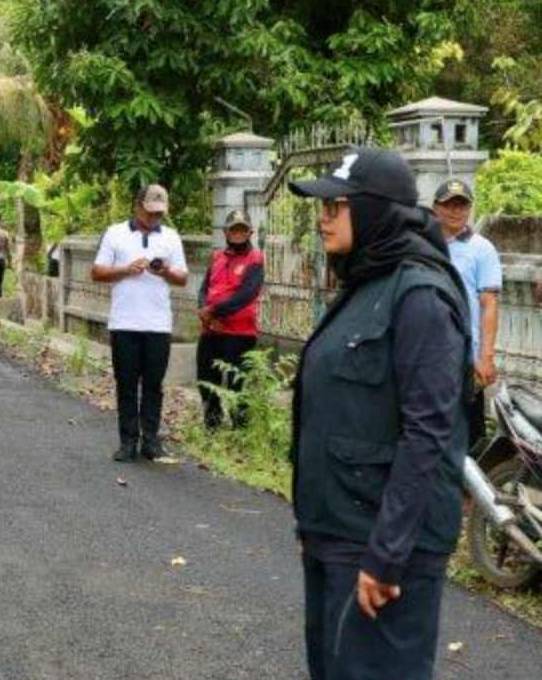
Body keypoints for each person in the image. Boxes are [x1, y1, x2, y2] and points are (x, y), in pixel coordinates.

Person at [289, 148, 470, 680]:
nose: (322, 219)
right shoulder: (366, 283)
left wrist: (387, 554)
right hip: (339, 532)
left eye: (335, 207)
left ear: (374, 212)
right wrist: (314, 522)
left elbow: (428, 431)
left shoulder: (420, 296)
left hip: (382, 547)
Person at [90, 184, 188, 462]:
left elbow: (182, 279)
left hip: (158, 324)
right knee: (126, 384)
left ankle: (151, 441)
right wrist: (126, 269)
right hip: (124, 323)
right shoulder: (115, 233)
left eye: (159, 213)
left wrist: (165, 270)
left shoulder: (170, 237)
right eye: (150, 212)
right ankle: (128, 441)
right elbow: (96, 272)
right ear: (137, 206)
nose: (155, 217)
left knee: (154, 385)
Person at [432, 179, 502, 450]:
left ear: (470, 209)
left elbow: (489, 304)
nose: (455, 210)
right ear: (435, 208)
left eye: (462, 205)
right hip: (425, 355)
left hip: (464, 361)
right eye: (449, 204)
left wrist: (485, 357)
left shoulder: (481, 249)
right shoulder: (425, 245)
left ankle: (466, 493)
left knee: (466, 443)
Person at [196, 209, 265, 429]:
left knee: (238, 384)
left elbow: (246, 295)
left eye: (242, 229)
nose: (237, 233)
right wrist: (205, 313)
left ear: (250, 232)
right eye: (233, 229)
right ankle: (213, 425)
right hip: (211, 331)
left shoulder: (255, 258)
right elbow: (203, 290)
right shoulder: (217, 257)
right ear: (225, 232)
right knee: (206, 380)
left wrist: (213, 311)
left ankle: (240, 428)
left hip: (240, 334)